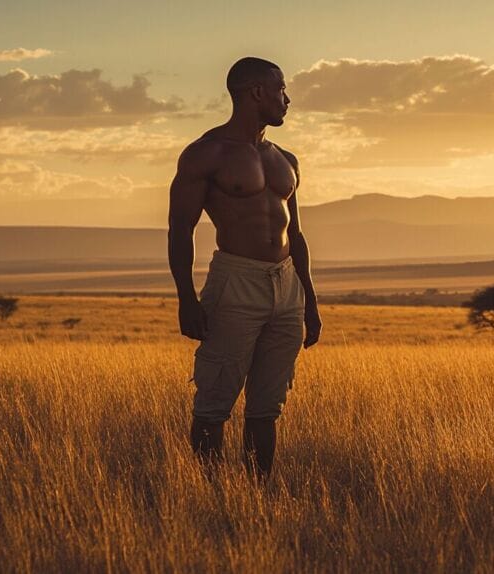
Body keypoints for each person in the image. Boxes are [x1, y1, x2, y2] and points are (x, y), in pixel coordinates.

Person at [168, 56, 322, 482]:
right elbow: (181, 229)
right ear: (256, 92)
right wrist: (186, 299)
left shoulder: (286, 158)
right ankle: (209, 493)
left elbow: (298, 233)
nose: (287, 99)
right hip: (235, 281)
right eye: (281, 89)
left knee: (266, 408)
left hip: (286, 284)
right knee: (214, 404)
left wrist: (309, 300)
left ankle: (257, 497)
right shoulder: (206, 153)